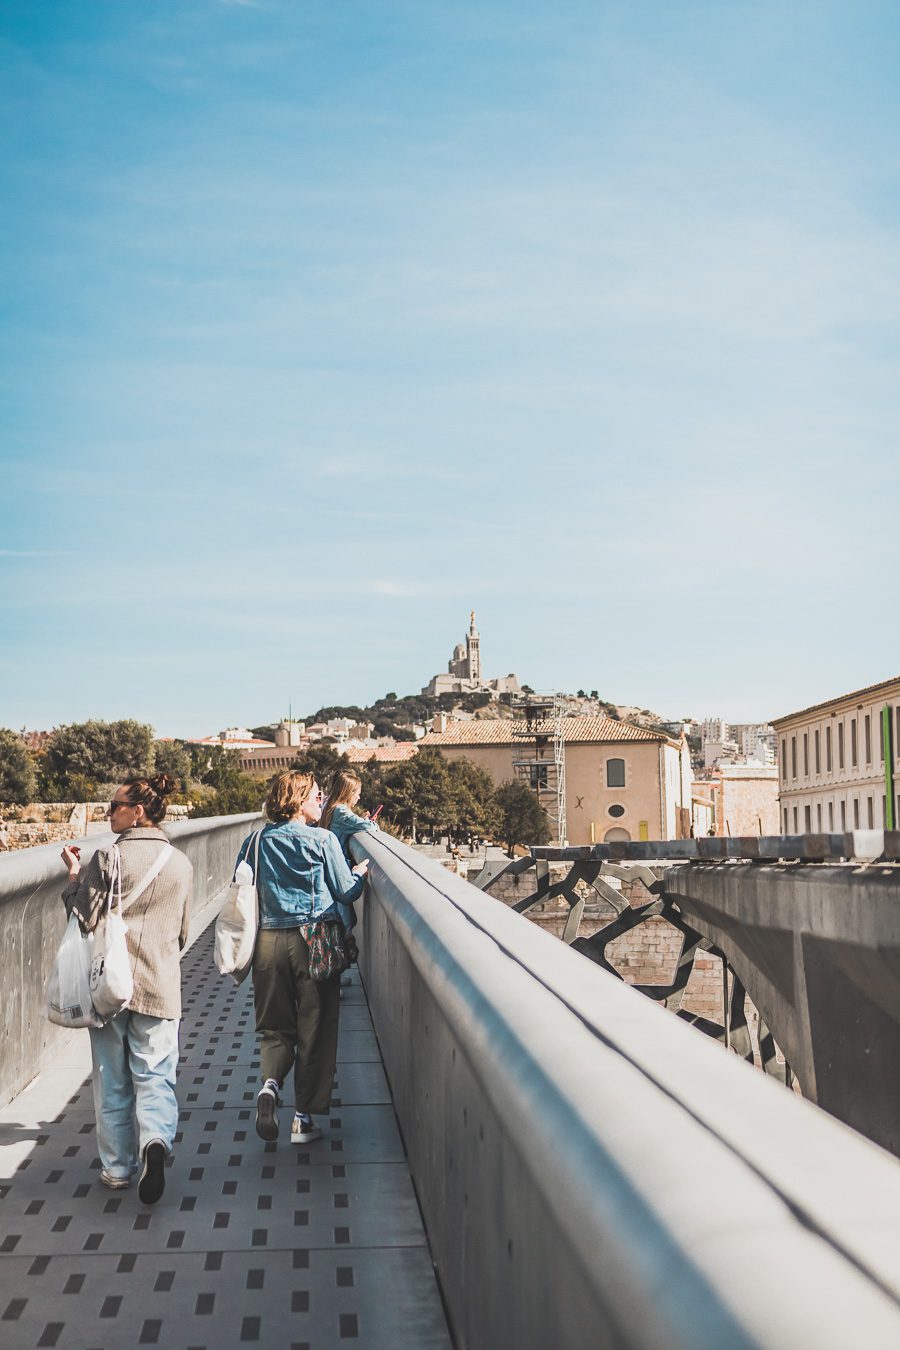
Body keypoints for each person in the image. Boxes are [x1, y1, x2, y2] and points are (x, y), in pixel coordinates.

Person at [60, 773, 192, 1205]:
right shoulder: (181, 863)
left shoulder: (107, 859)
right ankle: (155, 1140)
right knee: (155, 1075)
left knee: (111, 1079)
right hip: (159, 984)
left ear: (138, 812)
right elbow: (183, 934)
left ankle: (117, 1168)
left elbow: (82, 918)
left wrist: (74, 878)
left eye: (114, 806)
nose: (108, 813)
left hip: (108, 989)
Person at [240, 770, 368, 1147]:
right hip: (314, 941)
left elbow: (242, 884)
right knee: (316, 1027)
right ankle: (302, 1118)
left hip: (267, 942)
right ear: (296, 801)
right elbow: (346, 892)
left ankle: (270, 1085)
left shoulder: (255, 841)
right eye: (315, 795)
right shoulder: (324, 839)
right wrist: (360, 873)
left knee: (275, 1026)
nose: (322, 801)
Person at [319, 768, 378, 930]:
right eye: (357, 793)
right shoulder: (340, 811)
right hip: (339, 870)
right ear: (348, 793)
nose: (359, 797)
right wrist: (369, 821)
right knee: (344, 923)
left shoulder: (329, 807)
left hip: (330, 871)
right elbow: (370, 827)